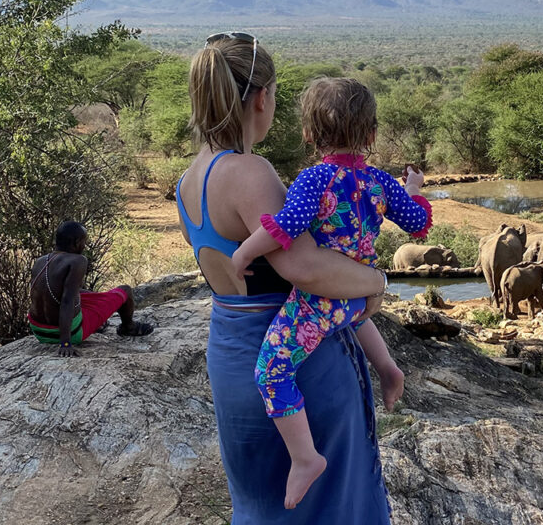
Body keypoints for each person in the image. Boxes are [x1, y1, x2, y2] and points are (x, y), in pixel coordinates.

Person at [178, 32, 394, 524]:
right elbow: (306, 268)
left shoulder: (191, 176)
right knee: (328, 507)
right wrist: (377, 282)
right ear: (261, 97)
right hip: (296, 363)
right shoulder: (251, 174)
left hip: (232, 355)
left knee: (262, 502)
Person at [232, 77, 431, 509]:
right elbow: (417, 223)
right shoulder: (381, 183)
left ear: (309, 133)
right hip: (357, 297)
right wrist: (413, 190)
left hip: (322, 299)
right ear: (372, 134)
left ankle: (305, 458)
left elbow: (287, 226)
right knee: (354, 319)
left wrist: (244, 253)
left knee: (272, 371)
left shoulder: (315, 179)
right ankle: (388, 367)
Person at [28, 221, 153, 356]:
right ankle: (128, 327)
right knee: (125, 290)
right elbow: (67, 301)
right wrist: (65, 343)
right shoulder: (78, 260)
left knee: (89, 295)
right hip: (67, 334)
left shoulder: (40, 261)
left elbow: (48, 294)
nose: (84, 246)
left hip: (39, 331)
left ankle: (98, 324)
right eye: (84, 241)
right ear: (76, 243)